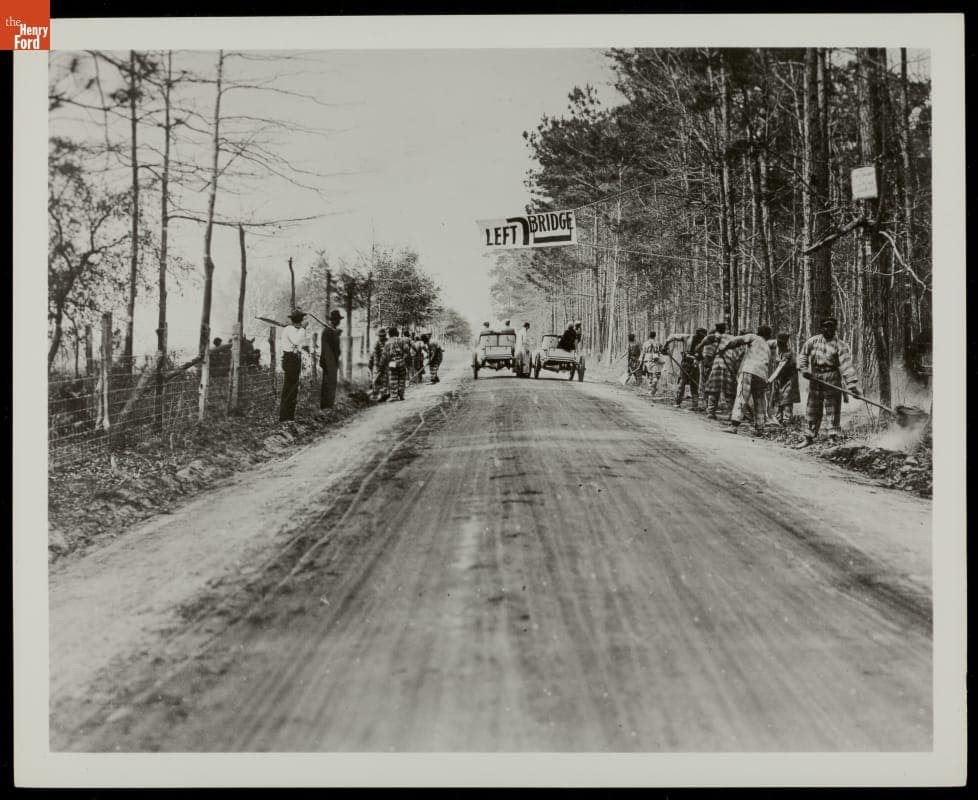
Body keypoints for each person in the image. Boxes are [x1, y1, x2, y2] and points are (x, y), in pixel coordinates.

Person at [798, 316, 860, 445]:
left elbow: (846, 365)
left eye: (832, 327)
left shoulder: (840, 345)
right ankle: (809, 436)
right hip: (815, 378)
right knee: (812, 408)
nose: (829, 329)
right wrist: (804, 369)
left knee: (832, 408)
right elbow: (803, 355)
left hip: (832, 377)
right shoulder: (812, 341)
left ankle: (832, 436)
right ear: (822, 328)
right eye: (826, 326)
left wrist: (852, 384)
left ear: (835, 328)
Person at [718, 325, 773, 435]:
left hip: (749, 370)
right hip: (762, 375)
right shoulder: (767, 347)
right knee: (760, 401)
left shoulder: (753, 337)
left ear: (758, 332)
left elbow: (738, 340)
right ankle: (760, 428)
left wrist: (724, 347)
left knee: (741, 396)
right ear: (768, 335)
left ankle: (734, 426)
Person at [694, 322, 736, 420]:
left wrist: (699, 347)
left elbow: (701, 345)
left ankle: (711, 412)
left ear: (716, 329)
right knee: (729, 390)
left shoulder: (714, 337)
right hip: (729, 364)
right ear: (725, 329)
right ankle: (731, 413)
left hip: (717, 364)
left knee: (713, 389)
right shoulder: (731, 338)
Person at [664, 328, 707, 410]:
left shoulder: (703, 342)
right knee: (682, 383)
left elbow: (703, 355)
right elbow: (672, 336)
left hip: (695, 365)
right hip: (686, 364)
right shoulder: (687, 337)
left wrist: (699, 359)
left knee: (695, 384)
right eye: (701, 337)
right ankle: (677, 402)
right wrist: (665, 345)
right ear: (698, 334)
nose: (702, 339)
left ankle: (695, 404)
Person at [279, 309, 309, 422]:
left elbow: (299, 343)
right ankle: (285, 417)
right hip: (290, 359)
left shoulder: (293, 329)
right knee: (289, 388)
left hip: (294, 359)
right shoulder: (290, 329)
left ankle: (289, 416)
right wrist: (303, 328)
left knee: (293, 388)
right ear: (299, 320)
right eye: (300, 320)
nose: (301, 322)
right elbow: (296, 341)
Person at [767, 332, 801, 425]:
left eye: (782, 342)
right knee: (777, 398)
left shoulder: (788, 353)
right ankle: (779, 420)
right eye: (778, 341)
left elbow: (779, 369)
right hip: (780, 379)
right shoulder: (775, 346)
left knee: (787, 400)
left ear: (785, 342)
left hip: (789, 379)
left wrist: (769, 380)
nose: (779, 343)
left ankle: (787, 421)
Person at [318, 309, 343, 409]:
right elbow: (327, 348)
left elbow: (337, 347)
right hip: (329, 361)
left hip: (333, 361)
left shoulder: (333, 331)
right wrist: (335, 335)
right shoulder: (327, 331)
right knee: (328, 384)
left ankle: (329, 405)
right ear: (334, 320)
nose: (339, 321)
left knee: (332, 383)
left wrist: (336, 334)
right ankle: (326, 406)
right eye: (337, 319)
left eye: (339, 319)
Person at [383, 326, 411, 401]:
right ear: (397, 333)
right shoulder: (401, 340)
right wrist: (403, 359)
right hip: (401, 361)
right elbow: (407, 350)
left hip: (392, 362)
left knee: (393, 379)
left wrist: (389, 362)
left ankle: (394, 396)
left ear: (389, 333)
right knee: (402, 378)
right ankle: (401, 395)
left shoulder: (387, 343)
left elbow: (385, 355)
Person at [640, 331, 664, 398]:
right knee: (655, 375)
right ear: (655, 336)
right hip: (656, 360)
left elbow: (643, 353)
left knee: (649, 376)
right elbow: (662, 350)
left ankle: (652, 389)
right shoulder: (658, 343)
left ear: (649, 336)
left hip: (648, 360)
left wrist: (640, 361)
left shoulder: (645, 343)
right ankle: (653, 389)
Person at [368, 327, 389, 400]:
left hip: (386, 364)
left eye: (383, 335)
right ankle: (375, 395)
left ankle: (384, 394)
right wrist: (378, 365)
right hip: (377, 365)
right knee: (376, 380)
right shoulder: (376, 343)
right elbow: (375, 355)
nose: (382, 337)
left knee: (385, 379)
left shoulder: (388, 342)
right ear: (378, 336)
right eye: (381, 336)